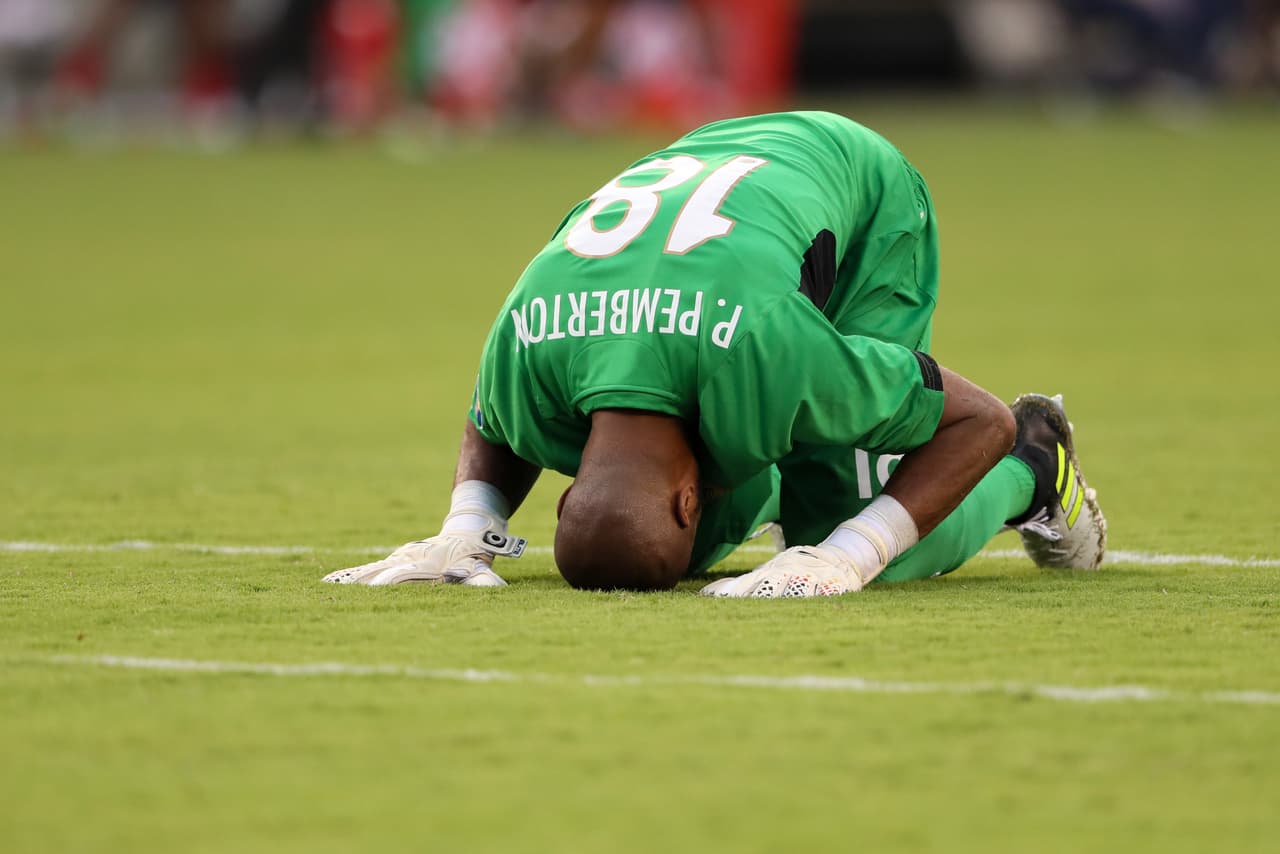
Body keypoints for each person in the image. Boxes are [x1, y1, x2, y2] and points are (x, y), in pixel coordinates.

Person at [323, 110, 1106, 597]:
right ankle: (772, 487)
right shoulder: (529, 347)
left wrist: (853, 552)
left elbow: (977, 421)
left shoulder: (776, 356)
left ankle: (1037, 471)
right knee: (663, 532)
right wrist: (469, 526)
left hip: (855, 190)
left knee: (849, 529)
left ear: (567, 500)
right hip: (717, 178)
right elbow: (494, 411)